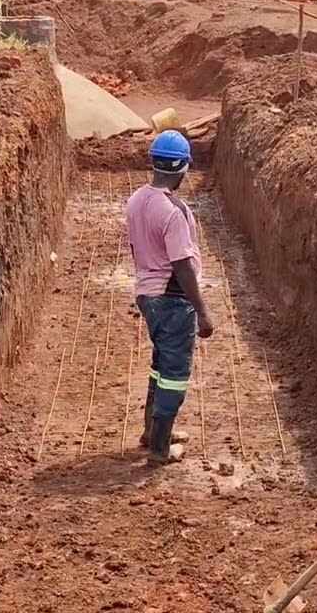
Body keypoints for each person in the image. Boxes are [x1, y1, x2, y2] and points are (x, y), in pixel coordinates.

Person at [124, 131, 214, 466]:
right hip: (173, 300)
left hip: (148, 296)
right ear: (182, 167)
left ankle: (153, 431)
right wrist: (202, 311)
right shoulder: (174, 211)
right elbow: (181, 265)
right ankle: (160, 449)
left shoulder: (136, 199)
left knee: (161, 365)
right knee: (174, 373)